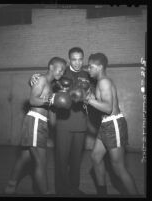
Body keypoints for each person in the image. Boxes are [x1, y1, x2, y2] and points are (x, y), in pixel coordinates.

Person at [4, 57, 67, 195]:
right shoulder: (42, 79)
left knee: (25, 156)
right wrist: (52, 100)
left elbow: (50, 110)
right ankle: (46, 193)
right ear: (51, 66)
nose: (61, 73)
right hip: (35, 121)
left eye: (63, 71)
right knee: (41, 162)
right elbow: (33, 99)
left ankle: (11, 184)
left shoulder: (51, 85)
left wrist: (56, 126)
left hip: (41, 123)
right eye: (60, 69)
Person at [84, 53, 138, 196]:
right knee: (95, 157)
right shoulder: (100, 82)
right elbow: (101, 104)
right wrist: (90, 98)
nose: (88, 69)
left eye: (91, 66)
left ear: (100, 67)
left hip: (113, 125)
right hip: (105, 125)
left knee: (119, 169)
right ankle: (102, 193)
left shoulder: (104, 82)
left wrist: (89, 100)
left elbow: (108, 108)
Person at [54, 47, 90, 196]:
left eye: (80, 59)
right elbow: (48, 78)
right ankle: (62, 190)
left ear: (83, 59)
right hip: (64, 123)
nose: (77, 62)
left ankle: (74, 189)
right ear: (69, 60)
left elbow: (93, 92)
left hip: (81, 123)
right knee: (62, 160)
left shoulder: (87, 75)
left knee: (76, 161)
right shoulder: (63, 72)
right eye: (74, 59)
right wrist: (34, 78)